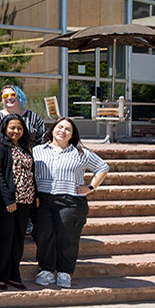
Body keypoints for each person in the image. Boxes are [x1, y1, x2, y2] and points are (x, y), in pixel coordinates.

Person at [32, 117, 109, 288]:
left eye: (68, 129)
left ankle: (65, 272)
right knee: (44, 235)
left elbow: (102, 167)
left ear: (72, 134)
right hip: (43, 200)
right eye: (60, 127)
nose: (63, 131)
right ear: (52, 130)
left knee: (68, 237)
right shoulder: (37, 150)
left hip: (71, 202)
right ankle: (46, 269)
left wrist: (90, 187)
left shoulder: (80, 153)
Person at [0, 113, 36, 291]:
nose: (16, 131)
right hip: (5, 202)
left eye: (19, 128)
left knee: (17, 240)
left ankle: (13, 275)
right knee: (4, 240)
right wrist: (8, 199)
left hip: (26, 200)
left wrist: (35, 196)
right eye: (12, 127)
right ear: (5, 128)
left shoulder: (25, 146)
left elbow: (31, 172)